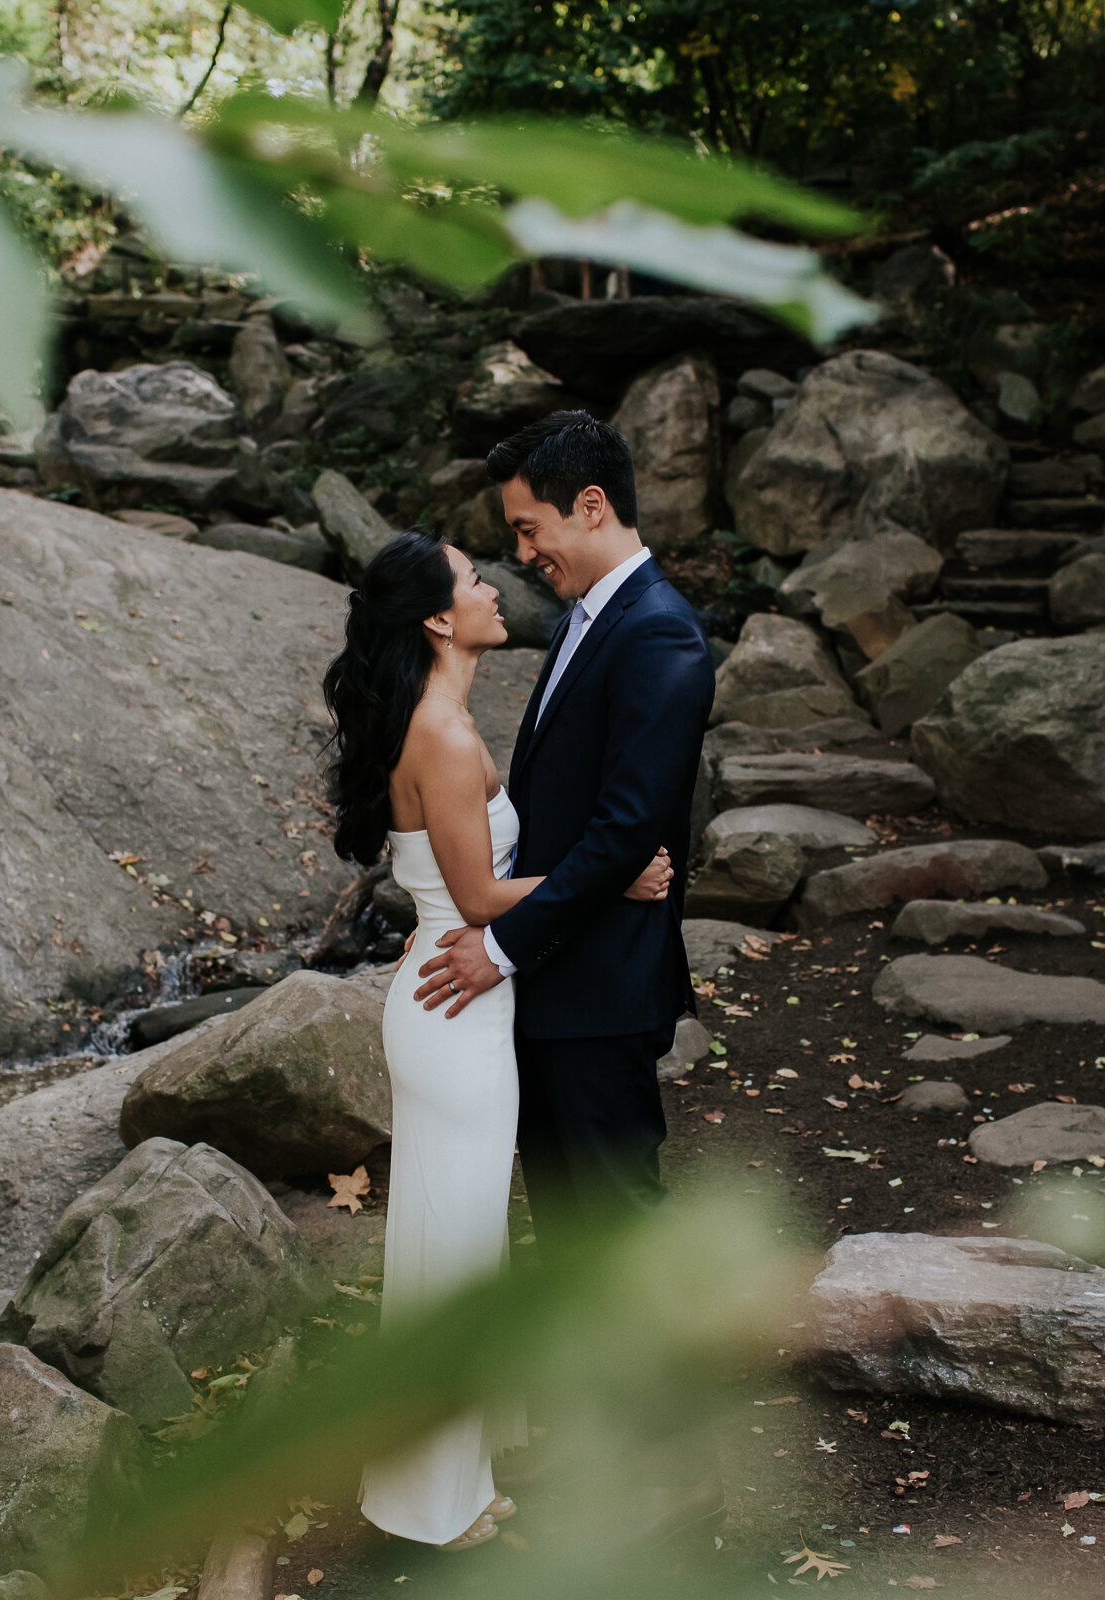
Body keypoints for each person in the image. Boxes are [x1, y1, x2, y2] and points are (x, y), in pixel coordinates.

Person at [322, 530, 675, 1553]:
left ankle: (449, 1474)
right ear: (438, 617)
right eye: (475, 578)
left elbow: (458, 896)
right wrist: (614, 880)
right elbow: (476, 897)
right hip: (455, 1012)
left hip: (460, 1002)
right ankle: (429, 1499)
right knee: (452, 1252)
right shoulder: (438, 730)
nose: (493, 586)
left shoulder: (445, 719)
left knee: (458, 1239)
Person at [411, 410, 721, 1540]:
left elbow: (631, 820)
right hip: (559, 982)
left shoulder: (660, 636)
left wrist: (498, 944)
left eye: (531, 526)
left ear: (591, 505)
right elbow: (574, 823)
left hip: (597, 991)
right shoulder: (590, 622)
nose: (523, 551)